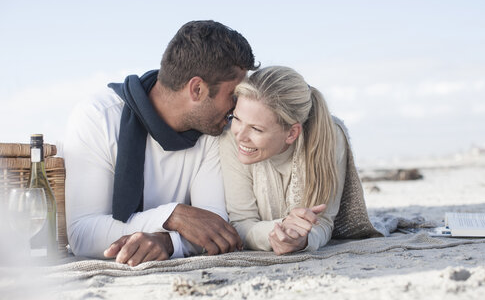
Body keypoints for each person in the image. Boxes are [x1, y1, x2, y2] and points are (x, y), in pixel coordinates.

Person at [64, 20, 258, 266]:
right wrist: (173, 215)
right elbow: (83, 233)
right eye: (233, 95)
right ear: (197, 89)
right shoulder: (98, 118)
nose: (237, 107)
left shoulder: (215, 130)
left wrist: (166, 242)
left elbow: (213, 227)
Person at [219, 66, 380, 255]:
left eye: (256, 129)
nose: (240, 136)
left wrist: (303, 240)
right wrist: (281, 230)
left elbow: (325, 221)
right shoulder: (230, 137)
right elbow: (241, 222)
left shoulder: (329, 136)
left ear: (292, 133)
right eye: (237, 118)